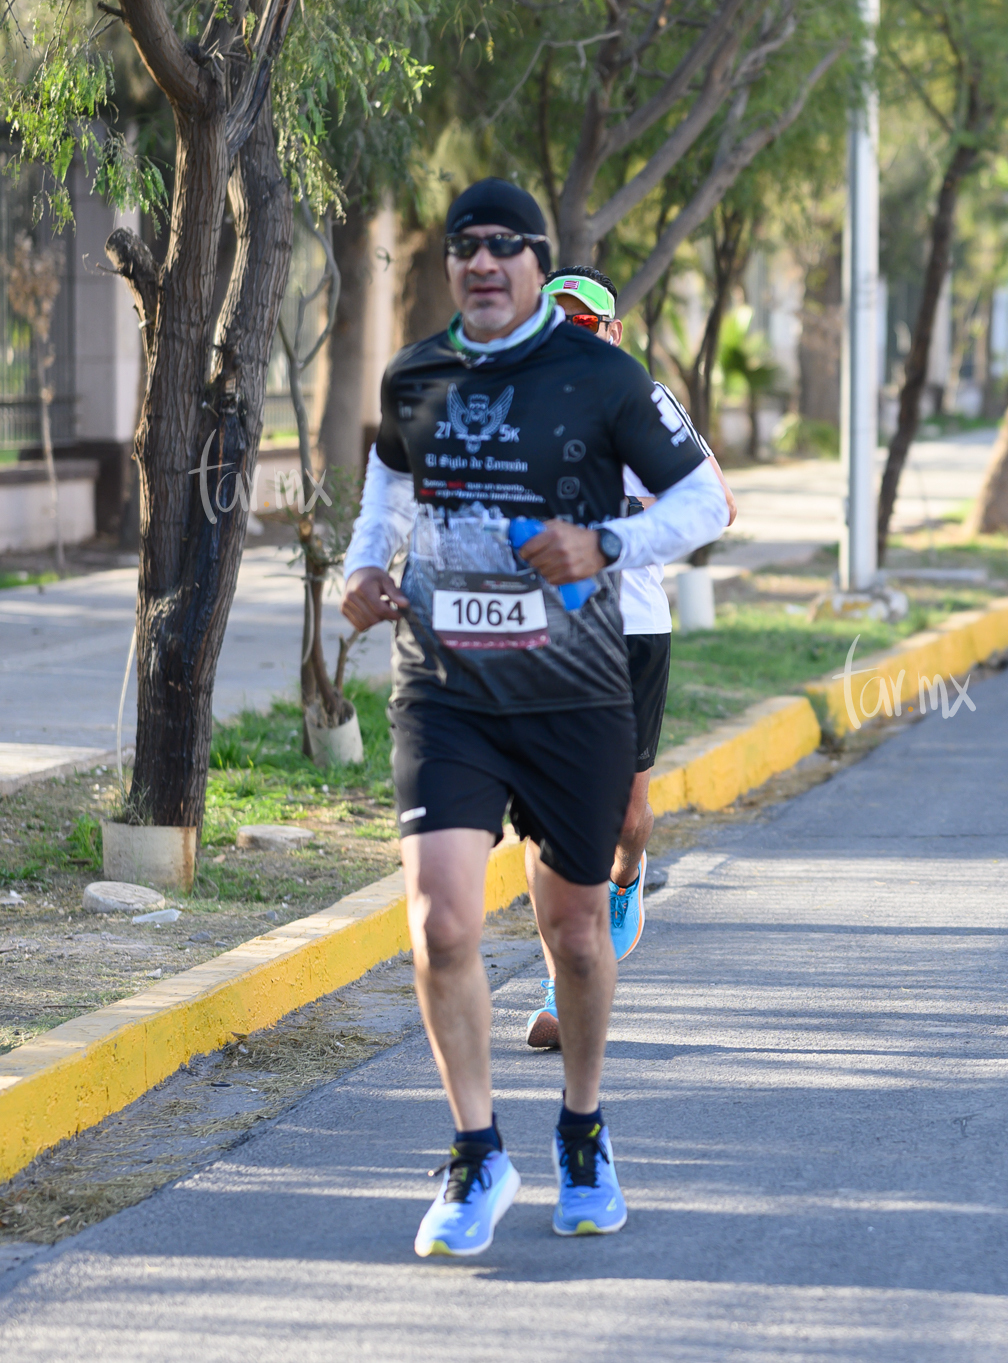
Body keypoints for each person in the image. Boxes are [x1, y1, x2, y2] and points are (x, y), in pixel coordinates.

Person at [339, 179, 729, 1256]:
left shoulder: (603, 375)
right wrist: (361, 570)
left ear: (534, 263)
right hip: (445, 687)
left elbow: (705, 501)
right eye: (466, 248)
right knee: (442, 923)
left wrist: (605, 542)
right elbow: (384, 496)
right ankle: (475, 1153)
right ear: (451, 265)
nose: (482, 264)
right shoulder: (414, 373)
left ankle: (582, 1128)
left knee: (572, 931)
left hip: (572, 693)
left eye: (505, 248)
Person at [519, 266, 738, 1051]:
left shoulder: (645, 406)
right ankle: (558, 977)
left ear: (613, 335)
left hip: (632, 627)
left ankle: (629, 873)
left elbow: (718, 503)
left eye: (585, 327)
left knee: (624, 817)